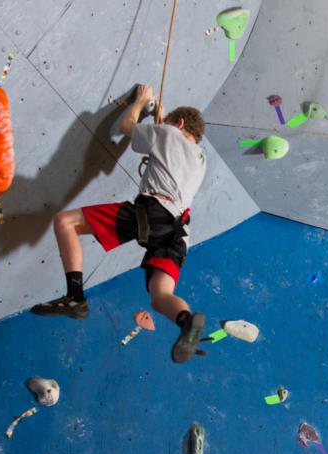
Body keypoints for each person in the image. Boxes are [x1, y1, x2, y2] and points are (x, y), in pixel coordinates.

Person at [30, 84, 208, 363]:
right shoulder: (200, 160)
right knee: (160, 296)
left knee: (65, 222)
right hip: (178, 233)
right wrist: (161, 120)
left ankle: (75, 297)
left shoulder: (168, 133)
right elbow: (169, 151)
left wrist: (140, 102)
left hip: (153, 213)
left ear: (179, 123)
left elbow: (126, 126)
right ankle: (186, 321)